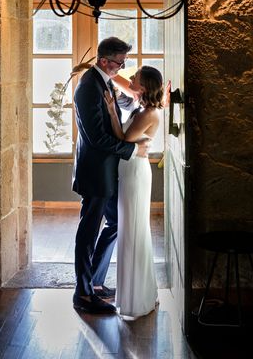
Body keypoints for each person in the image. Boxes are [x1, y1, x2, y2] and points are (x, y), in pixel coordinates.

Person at [72, 37, 150, 314]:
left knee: (115, 222)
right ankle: (82, 294)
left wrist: (148, 102)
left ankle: (95, 281)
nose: (123, 67)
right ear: (104, 61)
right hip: (95, 170)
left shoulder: (103, 81)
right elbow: (95, 138)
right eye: (120, 62)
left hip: (108, 170)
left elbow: (119, 110)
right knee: (88, 230)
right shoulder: (88, 88)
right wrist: (132, 149)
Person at [104, 66, 163, 319]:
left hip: (135, 174)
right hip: (130, 171)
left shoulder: (148, 113)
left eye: (135, 77)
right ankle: (139, 293)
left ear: (145, 85)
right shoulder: (141, 109)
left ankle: (136, 299)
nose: (130, 79)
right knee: (132, 231)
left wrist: (111, 112)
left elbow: (123, 140)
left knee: (133, 232)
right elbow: (129, 140)